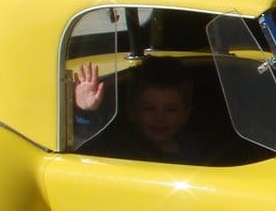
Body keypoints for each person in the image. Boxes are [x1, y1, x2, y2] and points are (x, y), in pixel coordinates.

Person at [73, 57, 205, 164]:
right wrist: (86, 112)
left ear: (185, 115)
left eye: (171, 110)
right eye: (149, 109)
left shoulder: (191, 145)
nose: (159, 117)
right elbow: (89, 142)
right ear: (132, 112)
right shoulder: (124, 148)